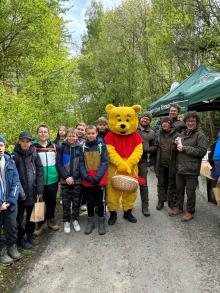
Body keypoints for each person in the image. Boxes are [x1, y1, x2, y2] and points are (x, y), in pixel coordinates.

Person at [169, 111, 208, 221]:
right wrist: (175, 142)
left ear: (196, 122)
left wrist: (185, 148)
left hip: (192, 169)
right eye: (188, 121)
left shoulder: (200, 135)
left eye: (193, 121)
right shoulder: (183, 133)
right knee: (179, 190)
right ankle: (179, 207)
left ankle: (190, 211)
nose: (190, 123)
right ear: (185, 122)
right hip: (180, 168)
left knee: (190, 192)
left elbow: (202, 151)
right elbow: (178, 145)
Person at [13, 131, 44, 249]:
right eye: (23, 141)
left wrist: (40, 188)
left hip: (33, 191)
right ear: (19, 141)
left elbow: (40, 170)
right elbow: (14, 177)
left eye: (28, 141)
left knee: (32, 216)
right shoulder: (14, 156)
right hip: (20, 194)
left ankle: (30, 235)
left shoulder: (34, 153)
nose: (25, 143)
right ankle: (20, 239)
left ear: (31, 142)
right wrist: (20, 193)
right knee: (19, 218)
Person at [80, 125, 108, 235]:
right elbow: (81, 163)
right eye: (88, 133)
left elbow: (105, 162)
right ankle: (90, 221)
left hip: (99, 179)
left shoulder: (101, 146)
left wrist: (97, 177)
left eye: (93, 133)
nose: (91, 135)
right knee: (89, 202)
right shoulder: (82, 147)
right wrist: (86, 176)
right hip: (87, 179)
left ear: (96, 134)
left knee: (101, 202)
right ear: (85, 134)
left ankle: (101, 221)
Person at [33, 125, 59, 235]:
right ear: (37, 133)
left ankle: (51, 220)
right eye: (41, 132)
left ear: (48, 134)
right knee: (39, 202)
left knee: (52, 202)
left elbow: (57, 162)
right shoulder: (33, 147)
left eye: (45, 132)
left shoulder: (53, 146)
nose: (43, 134)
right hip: (39, 180)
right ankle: (40, 223)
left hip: (53, 179)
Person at [0, 136, 21, 265]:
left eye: (1, 145)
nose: (0, 148)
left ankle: (11, 247)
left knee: (12, 227)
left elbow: (16, 182)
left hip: (10, 203)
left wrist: (11, 200)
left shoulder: (10, 161)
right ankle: (1, 251)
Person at [56, 128, 82, 234]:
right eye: (69, 136)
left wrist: (74, 177)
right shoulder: (61, 147)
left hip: (77, 180)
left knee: (76, 201)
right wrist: (66, 177)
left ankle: (75, 220)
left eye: (74, 136)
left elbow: (82, 164)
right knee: (66, 202)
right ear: (66, 136)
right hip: (65, 180)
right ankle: (66, 221)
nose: (72, 138)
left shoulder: (80, 148)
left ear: (77, 137)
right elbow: (59, 164)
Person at [155, 117, 179, 212]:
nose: (164, 124)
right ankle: (161, 200)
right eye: (162, 122)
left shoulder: (177, 135)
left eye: (166, 122)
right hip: (160, 164)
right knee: (161, 184)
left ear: (170, 124)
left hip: (172, 164)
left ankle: (171, 202)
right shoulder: (158, 135)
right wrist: (152, 163)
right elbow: (154, 150)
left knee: (171, 184)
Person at [137, 111, 157, 216]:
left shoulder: (152, 132)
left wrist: (148, 149)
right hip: (130, 160)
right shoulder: (133, 128)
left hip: (143, 161)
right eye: (144, 118)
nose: (145, 120)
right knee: (128, 183)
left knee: (143, 184)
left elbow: (155, 147)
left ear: (149, 121)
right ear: (141, 118)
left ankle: (145, 207)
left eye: (147, 119)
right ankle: (127, 208)